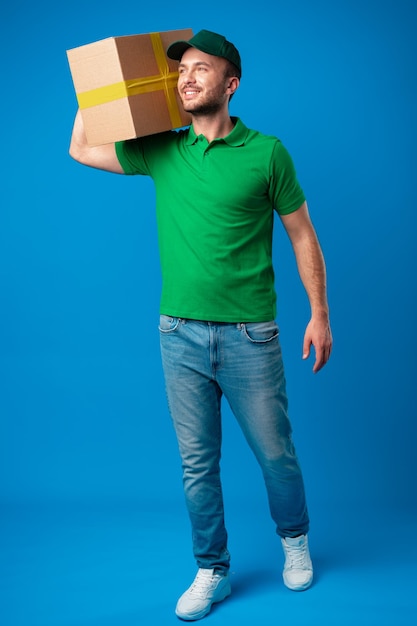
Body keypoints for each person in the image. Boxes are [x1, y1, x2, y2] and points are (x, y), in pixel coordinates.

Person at [69, 29, 332, 621]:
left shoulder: (268, 153)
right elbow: (82, 149)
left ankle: (295, 542)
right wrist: (99, 87)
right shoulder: (161, 148)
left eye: (201, 69)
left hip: (250, 337)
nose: (187, 77)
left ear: (230, 83)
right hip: (178, 335)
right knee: (197, 465)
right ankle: (212, 568)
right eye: (181, 69)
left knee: (276, 455)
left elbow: (302, 234)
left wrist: (319, 313)